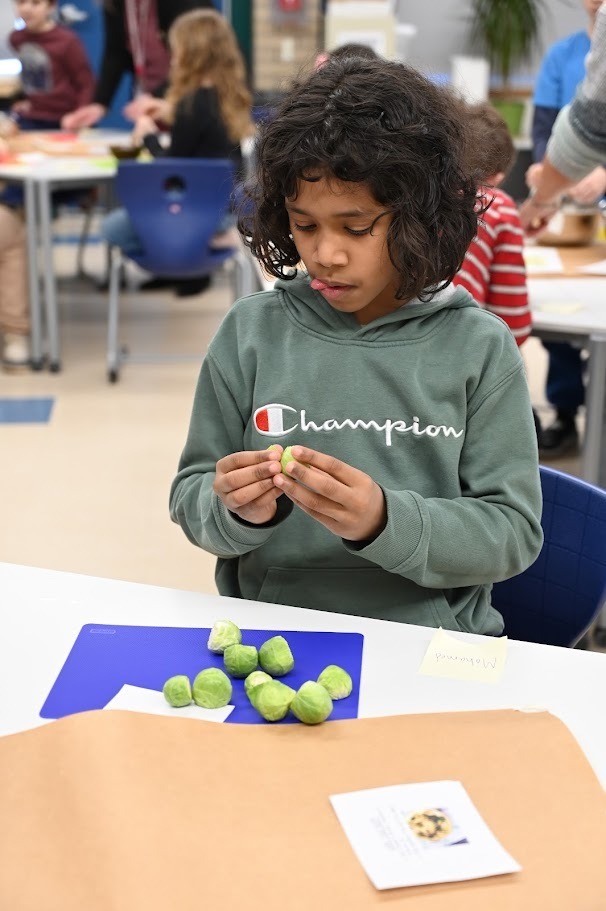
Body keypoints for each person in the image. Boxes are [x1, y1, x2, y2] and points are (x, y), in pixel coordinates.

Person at [169, 58, 543, 636]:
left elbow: (512, 535)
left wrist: (383, 521)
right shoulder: (250, 334)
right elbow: (193, 494)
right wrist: (235, 511)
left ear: (422, 216)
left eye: (356, 226)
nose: (326, 254)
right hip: (273, 631)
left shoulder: (478, 348)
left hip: (430, 639)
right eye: (305, 224)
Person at [101, 8, 253, 296]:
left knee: (111, 228)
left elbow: (169, 172)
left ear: (189, 53)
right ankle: (208, 238)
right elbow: (204, 133)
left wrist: (148, 136)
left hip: (193, 212)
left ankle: (181, 249)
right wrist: (170, 112)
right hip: (222, 207)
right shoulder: (227, 96)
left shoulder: (189, 104)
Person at [523, 0, 605, 458]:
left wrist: (598, 173)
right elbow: (546, 130)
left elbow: (589, 132)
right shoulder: (563, 55)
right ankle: (567, 408)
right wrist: (550, 179)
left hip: (577, 192)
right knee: (562, 314)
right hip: (568, 208)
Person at [61, 0, 214, 131]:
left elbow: (199, 59)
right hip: (149, 98)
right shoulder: (117, 4)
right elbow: (115, 52)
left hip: (187, 99)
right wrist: (100, 103)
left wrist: (156, 97)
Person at [453, 102, 531, 347]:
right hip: (461, 346)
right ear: (499, 177)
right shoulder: (500, 205)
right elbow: (513, 324)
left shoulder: (422, 197)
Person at [9, 0, 94, 130]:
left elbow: (86, 83)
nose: (26, 8)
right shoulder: (16, 38)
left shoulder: (67, 40)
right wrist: (22, 99)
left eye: (35, 3)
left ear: (51, 7)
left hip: (63, 117)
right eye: (21, 2)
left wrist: (78, 115)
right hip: (32, 116)